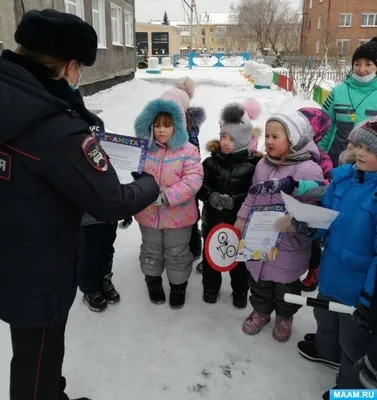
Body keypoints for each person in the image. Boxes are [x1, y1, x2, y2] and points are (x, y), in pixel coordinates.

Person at [0, 9, 159, 400]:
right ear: (70, 67)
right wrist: (150, 184)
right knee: (38, 359)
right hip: (40, 268)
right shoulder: (56, 130)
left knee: (32, 353)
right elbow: (111, 200)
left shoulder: (14, 100)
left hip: (12, 253)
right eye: (81, 69)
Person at [290, 119, 377, 398]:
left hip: (359, 285)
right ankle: (327, 351)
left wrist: (369, 298)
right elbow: (325, 218)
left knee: (354, 342)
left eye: (371, 150)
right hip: (332, 270)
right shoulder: (344, 179)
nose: (361, 153)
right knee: (325, 315)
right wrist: (308, 224)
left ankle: (352, 392)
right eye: (359, 146)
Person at [235, 110, 324, 342]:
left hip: (289, 241)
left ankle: (285, 316)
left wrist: (294, 224)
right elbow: (252, 196)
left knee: (286, 285)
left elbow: (313, 209)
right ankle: (261, 310)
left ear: (292, 139)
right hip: (259, 235)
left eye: (276, 137)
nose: (269, 141)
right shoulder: (263, 165)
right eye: (266, 136)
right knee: (259, 280)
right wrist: (242, 218)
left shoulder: (308, 169)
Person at [133, 89, 204, 309]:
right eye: (157, 125)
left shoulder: (188, 150)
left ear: (177, 126)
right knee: (151, 250)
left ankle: (178, 286)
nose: (161, 130)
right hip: (148, 214)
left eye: (167, 125)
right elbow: (132, 173)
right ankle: (153, 282)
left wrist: (167, 196)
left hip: (178, 216)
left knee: (177, 253)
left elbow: (194, 178)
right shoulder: (142, 150)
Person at [196, 99, 262, 308]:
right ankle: (211, 287)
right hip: (212, 220)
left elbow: (253, 193)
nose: (225, 143)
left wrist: (234, 201)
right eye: (223, 136)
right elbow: (199, 185)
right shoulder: (210, 162)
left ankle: (240, 291)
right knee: (210, 258)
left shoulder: (253, 165)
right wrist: (209, 196)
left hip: (238, 225)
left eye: (232, 139)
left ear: (242, 141)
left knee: (238, 260)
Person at [319, 37, 377, 167]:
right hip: (334, 162)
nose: (361, 69)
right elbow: (324, 128)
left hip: (369, 167)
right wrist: (319, 154)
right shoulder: (338, 92)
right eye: (357, 64)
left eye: (368, 64)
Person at [297, 107, 332, 292]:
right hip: (291, 204)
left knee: (312, 243)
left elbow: (326, 184)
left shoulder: (322, 157)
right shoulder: (290, 148)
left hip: (312, 209)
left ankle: (314, 271)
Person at [79, 214, 121, 312]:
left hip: (110, 216)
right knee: (89, 255)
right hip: (87, 220)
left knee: (107, 251)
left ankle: (105, 279)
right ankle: (90, 287)